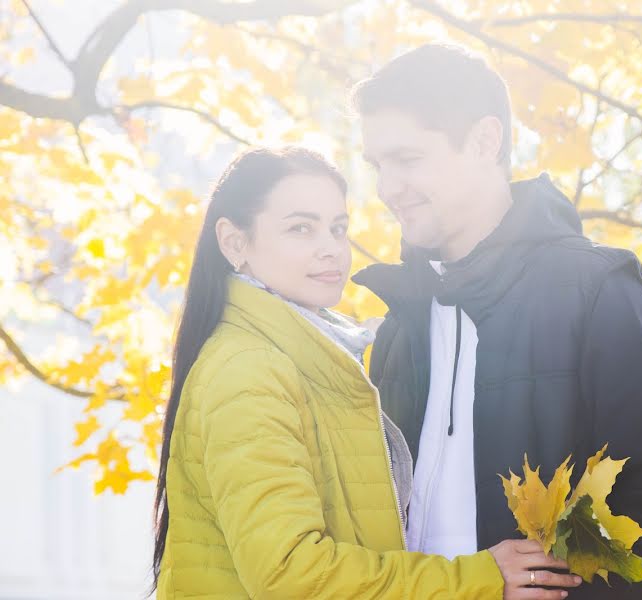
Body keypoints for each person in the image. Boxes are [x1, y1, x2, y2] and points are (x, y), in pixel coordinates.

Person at [352, 44, 642, 599]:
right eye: (377, 166)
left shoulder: (598, 292)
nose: (386, 188)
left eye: (408, 159)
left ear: (484, 141)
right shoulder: (399, 327)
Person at [151, 146, 581, 599]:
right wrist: (477, 580)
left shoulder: (310, 358)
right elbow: (289, 574)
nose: (330, 250)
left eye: (337, 229)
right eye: (301, 228)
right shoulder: (249, 371)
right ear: (235, 242)